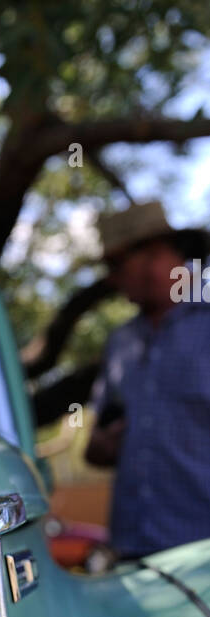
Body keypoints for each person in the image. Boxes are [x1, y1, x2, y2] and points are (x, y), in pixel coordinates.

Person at [85, 201, 210, 560]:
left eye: (116, 266)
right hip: (131, 551)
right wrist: (103, 444)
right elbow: (94, 446)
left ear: (156, 255)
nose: (111, 280)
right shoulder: (121, 342)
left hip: (202, 555)